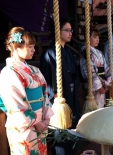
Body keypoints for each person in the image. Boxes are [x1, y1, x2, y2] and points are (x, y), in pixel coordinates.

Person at [0, 27, 53, 155]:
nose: (34, 50)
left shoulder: (35, 70)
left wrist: (46, 117)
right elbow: (16, 104)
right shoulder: (9, 72)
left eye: (33, 46)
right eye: (30, 46)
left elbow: (44, 94)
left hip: (40, 121)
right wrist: (37, 122)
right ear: (17, 48)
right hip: (23, 127)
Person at [39, 18, 80, 154]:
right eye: (67, 30)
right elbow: (47, 80)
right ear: (58, 31)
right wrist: (55, 96)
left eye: (71, 30)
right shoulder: (49, 53)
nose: (70, 33)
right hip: (58, 101)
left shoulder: (68, 52)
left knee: (72, 135)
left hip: (71, 98)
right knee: (60, 137)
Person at [80, 27, 111, 108]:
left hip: (103, 85)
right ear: (87, 37)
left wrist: (107, 83)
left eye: (98, 37)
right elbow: (90, 72)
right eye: (95, 37)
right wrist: (100, 87)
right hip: (94, 88)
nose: (97, 40)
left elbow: (106, 68)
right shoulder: (85, 52)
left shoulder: (99, 53)